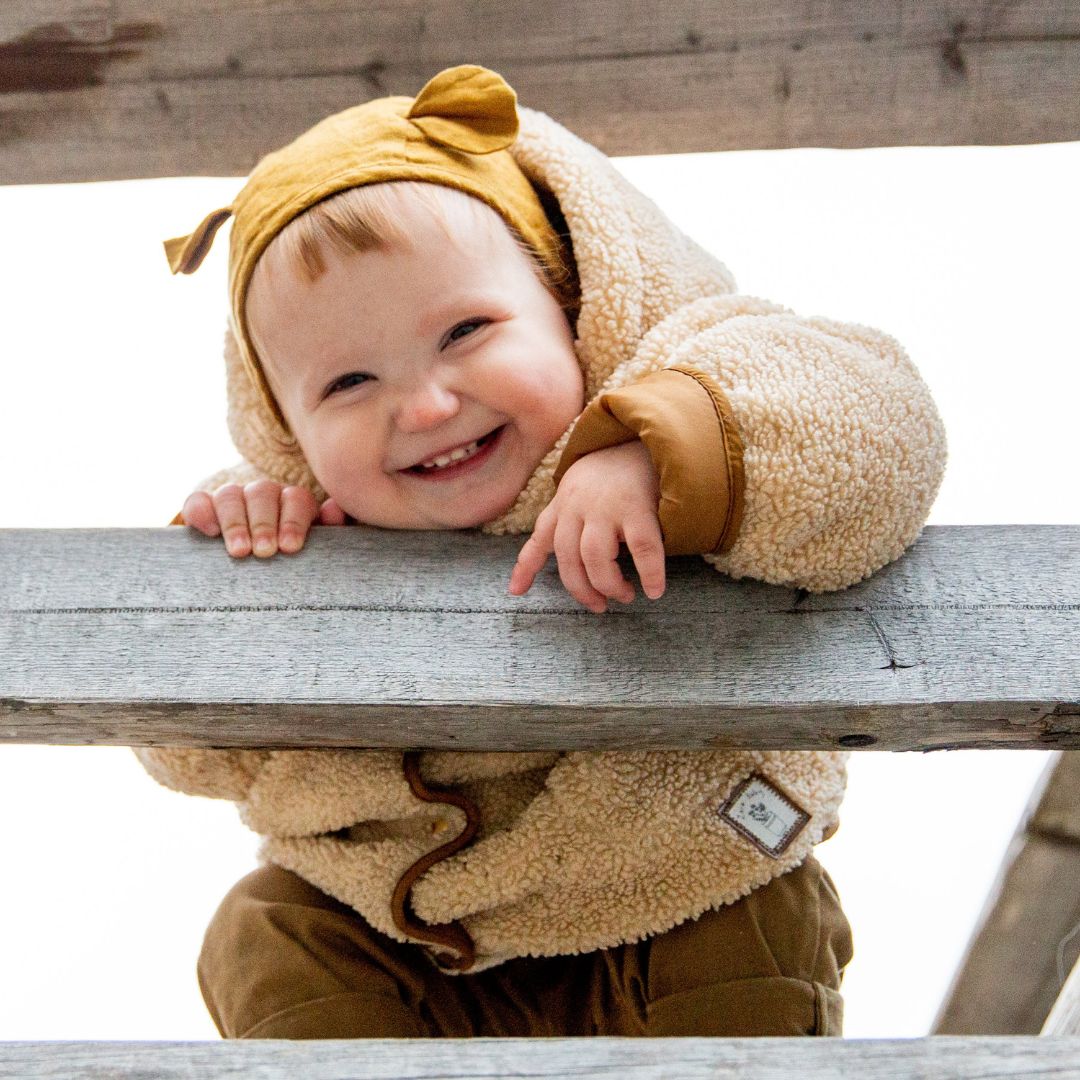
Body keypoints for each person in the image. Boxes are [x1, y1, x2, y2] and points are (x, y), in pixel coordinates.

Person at [136, 64, 947, 1038]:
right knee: (260, 928)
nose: (427, 405)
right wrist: (237, 567)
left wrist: (661, 451)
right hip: (410, 945)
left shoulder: (688, 374)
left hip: (680, 887)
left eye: (467, 331)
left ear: (573, 303)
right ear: (284, 427)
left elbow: (879, 426)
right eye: (347, 382)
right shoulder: (308, 524)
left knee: (753, 923)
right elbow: (184, 755)